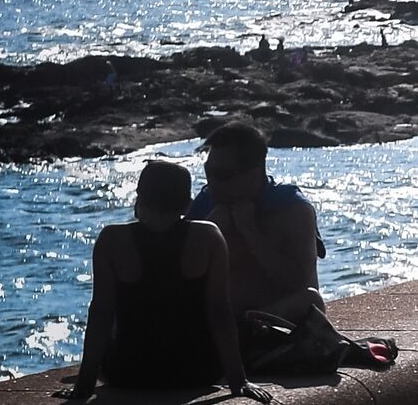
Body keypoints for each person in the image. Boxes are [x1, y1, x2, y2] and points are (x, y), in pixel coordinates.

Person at [55, 161, 270, 402]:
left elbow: (101, 315)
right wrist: (239, 382)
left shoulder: (112, 240)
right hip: (198, 371)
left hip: (127, 373)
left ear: (139, 200)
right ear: (187, 204)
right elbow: (219, 311)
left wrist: (83, 387)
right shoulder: (209, 237)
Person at [188, 122, 324, 322]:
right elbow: (180, 275)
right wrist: (208, 234)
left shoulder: (290, 207)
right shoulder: (205, 203)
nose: (212, 182)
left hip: (277, 320)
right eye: (208, 172)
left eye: (222, 175)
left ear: (252, 174)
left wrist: (251, 232)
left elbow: (300, 281)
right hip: (221, 318)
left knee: (311, 299)